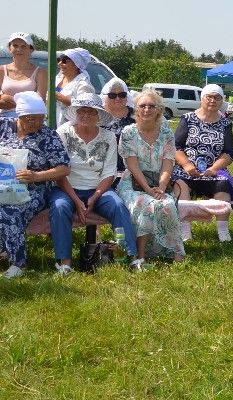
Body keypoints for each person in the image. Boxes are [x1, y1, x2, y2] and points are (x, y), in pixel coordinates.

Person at [48, 94, 135, 273]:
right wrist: (77, 200)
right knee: (60, 206)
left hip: (99, 189)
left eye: (91, 112)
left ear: (98, 115)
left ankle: (128, 256)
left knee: (118, 205)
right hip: (66, 188)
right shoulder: (63, 132)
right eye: (82, 111)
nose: (86, 115)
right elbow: (59, 172)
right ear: (75, 113)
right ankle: (65, 263)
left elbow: (109, 172)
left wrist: (95, 196)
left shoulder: (109, 136)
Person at [0, 92, 70, 278]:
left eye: (41, 118)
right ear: (19, 116)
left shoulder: (47, 135)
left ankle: (18, 263)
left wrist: (36, 175)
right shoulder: (3, 126)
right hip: (3, 183)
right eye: (32, 119)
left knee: (10, 210)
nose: (38, 124)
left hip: (35, 188)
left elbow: (64, 168)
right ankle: (4, 250)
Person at [117, 89, 185, 267]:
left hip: (159, 182)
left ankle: (175, 252)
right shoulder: (128, 132)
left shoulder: (166, 133)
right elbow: (132, 165)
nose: (146, 109)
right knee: (147, 204)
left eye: (151, 106)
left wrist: (162, 187)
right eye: (142, 106)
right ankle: (140, 256)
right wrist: (148, 189)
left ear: (159, 110)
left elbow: (168, 163)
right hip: (133, 183)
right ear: (136, 109)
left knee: (168, 204)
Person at [172, 84, 233, 243]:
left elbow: (229, 152)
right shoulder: (187, 119)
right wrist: (186, 165)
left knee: (223, 184)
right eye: (209, 96)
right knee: (180, 184)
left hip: (213, 171)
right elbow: (175, 147)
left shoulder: (226, 124)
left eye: (217, 97)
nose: (213, 100)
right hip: (187, 170)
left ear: (222, 101)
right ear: (202, 99)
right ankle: (185, 231)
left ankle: (223, 230)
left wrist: (214, 168)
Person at [1, 32, 47, 117]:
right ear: (9, 48)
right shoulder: (1, 70)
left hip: (30, 121)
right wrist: (27, 103)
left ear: (31, 50)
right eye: (15, 46)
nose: (19, 49)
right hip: (4, 120)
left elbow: (40, 103)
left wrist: (8, 99)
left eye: (23, 46)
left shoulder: (41, 72)